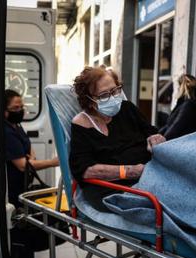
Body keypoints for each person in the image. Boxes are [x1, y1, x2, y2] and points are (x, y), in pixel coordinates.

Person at [69, 66, 165, 204]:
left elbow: (151, 132)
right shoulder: (82, 124)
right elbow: (84, 170)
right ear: (89, 101)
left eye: (115, 90)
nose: (113, 98)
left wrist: (156, 138)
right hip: (112, 189)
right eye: (104, 95)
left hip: (150, 178)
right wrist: (129, 171)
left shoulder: (127, 108)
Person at [4, 89, 59, 258]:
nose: (20, 111)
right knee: (20, 232)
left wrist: (30, 158)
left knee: (26, 229)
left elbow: (29, 152)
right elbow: (21, 164)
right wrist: (53, 162)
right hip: (13, 189)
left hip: (22, 187)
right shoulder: (5, 132)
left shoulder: (15, 126)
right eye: (15, 108)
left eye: (21, 107)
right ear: (4, 111)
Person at [159, 74, 196, 140]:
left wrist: (161, 141)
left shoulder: (188, 105)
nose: (176, 89)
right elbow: (170, 126)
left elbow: (176, 127)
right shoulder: (186, 104)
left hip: (181, 144)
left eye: (178, 87)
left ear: (182, 88)